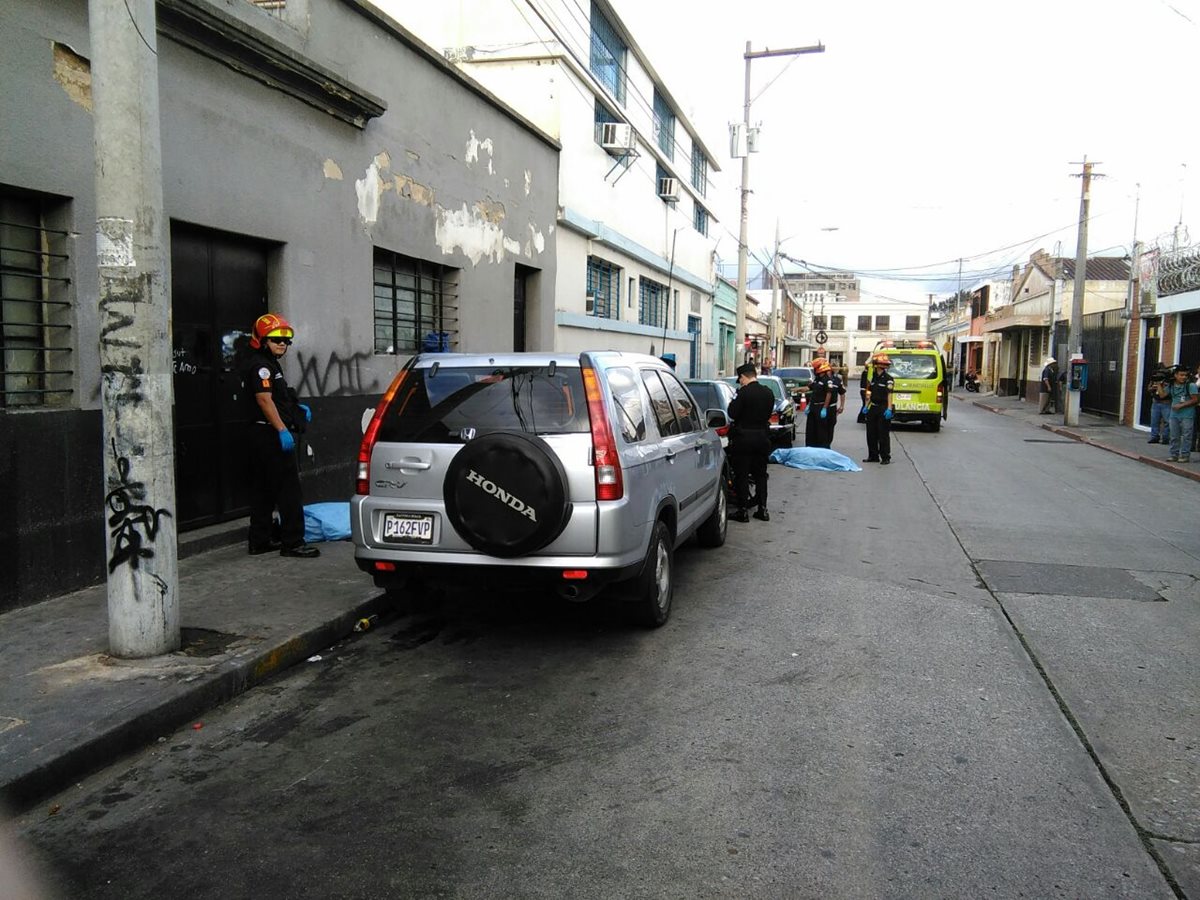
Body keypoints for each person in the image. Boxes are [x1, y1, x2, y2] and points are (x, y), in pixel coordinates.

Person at [242, 313, 321, 558]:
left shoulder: (268, 363)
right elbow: (264, 400)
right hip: (269, 434)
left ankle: (260, 540)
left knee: (264, 489)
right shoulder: (262, 366)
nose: (282, 344)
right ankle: (293, 542)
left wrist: (296, 410)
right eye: (276, 339)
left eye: (286, 341)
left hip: (262, 434)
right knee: (289, 490)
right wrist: (282, 429)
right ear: (262, 340)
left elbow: (278, 396)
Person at [727, 361, 775, 522]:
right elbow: (768, 413)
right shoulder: (768, 392)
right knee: (761, 475)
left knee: (741, 475)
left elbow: (732, 413)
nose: (740, 382)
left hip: (744, 440)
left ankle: (742, 511)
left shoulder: (743, 393)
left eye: (740, 379)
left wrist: (736, 397)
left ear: (743, 377)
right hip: (762, 438)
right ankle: (763, 509)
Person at [863, 353, 895, 465]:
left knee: (883, 434)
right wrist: (866, 406)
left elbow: (889, 394)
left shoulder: (888, 379)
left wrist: (889, 409)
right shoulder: (873, 378)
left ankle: (885, 457)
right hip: (873, 407)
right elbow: (869, 393)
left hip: (883, 407)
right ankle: (873, 456)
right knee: (871, 433)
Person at [1167, 364, 1199, 463]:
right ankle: (1174, 455)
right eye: (1181, 375)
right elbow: (1163, 394)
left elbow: (1195, 400)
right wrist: (1159, 384)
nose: (1183, 377)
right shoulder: (1171, 385)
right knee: (1174, 435)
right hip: (1174, 415)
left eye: (1185, 375)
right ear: (1176, 375)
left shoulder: (1191, 385)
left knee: (1187, 436)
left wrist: (1181, 406)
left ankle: (1185, 455)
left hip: (1187, 415)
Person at [805, 358, 836, 449]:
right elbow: (810, 389)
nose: (814, 371)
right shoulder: (817, 380)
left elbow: (829, 393)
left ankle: (823, 450)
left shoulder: (828, 380)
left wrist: (824, 408)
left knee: (821, 432)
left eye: (815, 368)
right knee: (811, 431)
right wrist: (795, 390)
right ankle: (810, 449)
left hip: (820, 408)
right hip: (813, 408)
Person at [1146, 368, 1171, 444]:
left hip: (1166, 403)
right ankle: (1154, 437)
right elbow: (1149, 389)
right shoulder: (1154, 380)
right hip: (1155, 402)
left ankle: (1166, 438)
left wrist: (1159, 385)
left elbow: (1162, 395)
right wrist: (1152, 387)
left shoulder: (1168, 382)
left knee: (1167, 422)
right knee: (1154, 421)